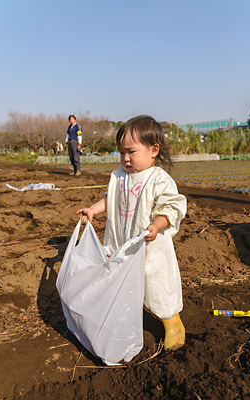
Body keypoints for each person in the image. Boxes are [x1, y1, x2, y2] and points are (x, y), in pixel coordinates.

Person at [77, 115, 187, 351]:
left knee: (156, 285)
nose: (126, 158)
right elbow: (110, 198)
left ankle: (172, 323)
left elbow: (171, 207)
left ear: (153, 149)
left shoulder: (159, 179)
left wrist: (157, 225)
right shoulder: (118, 176)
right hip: (122, 243)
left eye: (131, 152)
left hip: (150, 247)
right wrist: (93, 210)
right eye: (121, 153)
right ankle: (127, 319)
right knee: (122, 284)